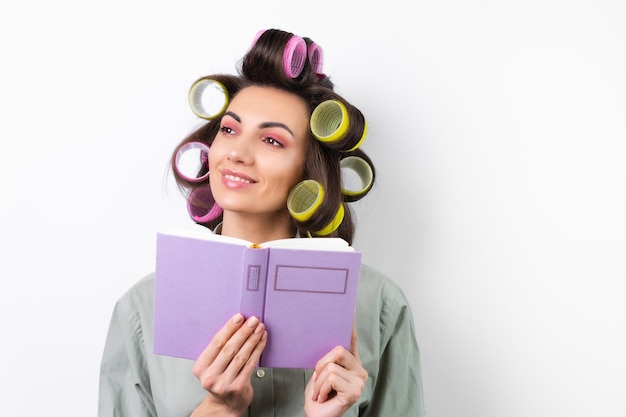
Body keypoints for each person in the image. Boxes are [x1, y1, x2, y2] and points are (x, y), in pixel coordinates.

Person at [98, 28, 426, 417]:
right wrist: (218, 409)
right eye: (229, 129)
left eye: (272, 140)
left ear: (309, 171)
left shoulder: (379, 306)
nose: (236, 152)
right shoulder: (141, 310)